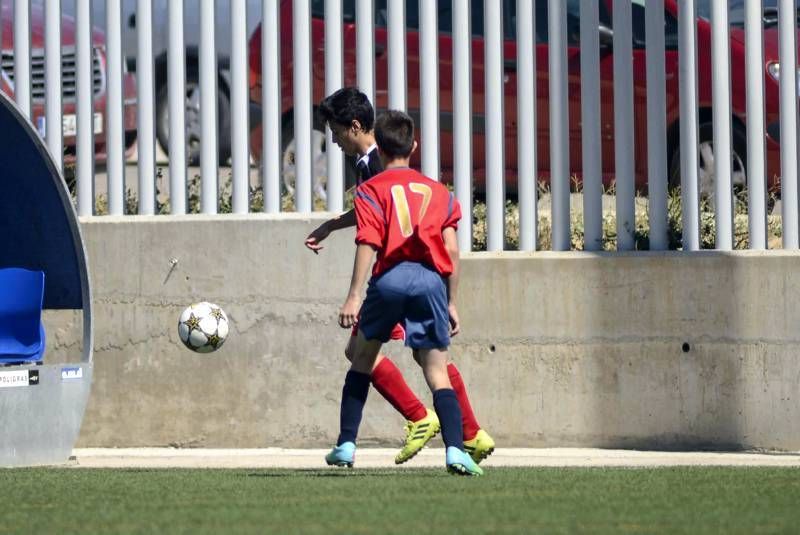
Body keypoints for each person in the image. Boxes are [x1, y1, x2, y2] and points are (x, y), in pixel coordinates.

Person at [307, 88, 494, 465]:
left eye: (336, 131)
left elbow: (377, 219)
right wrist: (331, 225)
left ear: (355, 126)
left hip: (392, 276)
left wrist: (355, 293)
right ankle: (467, 435)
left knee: (371, 354)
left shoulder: (377, 166)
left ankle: (422, 418)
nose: (334, 140)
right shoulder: (386, 169)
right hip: (425, 279)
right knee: (429, 356)